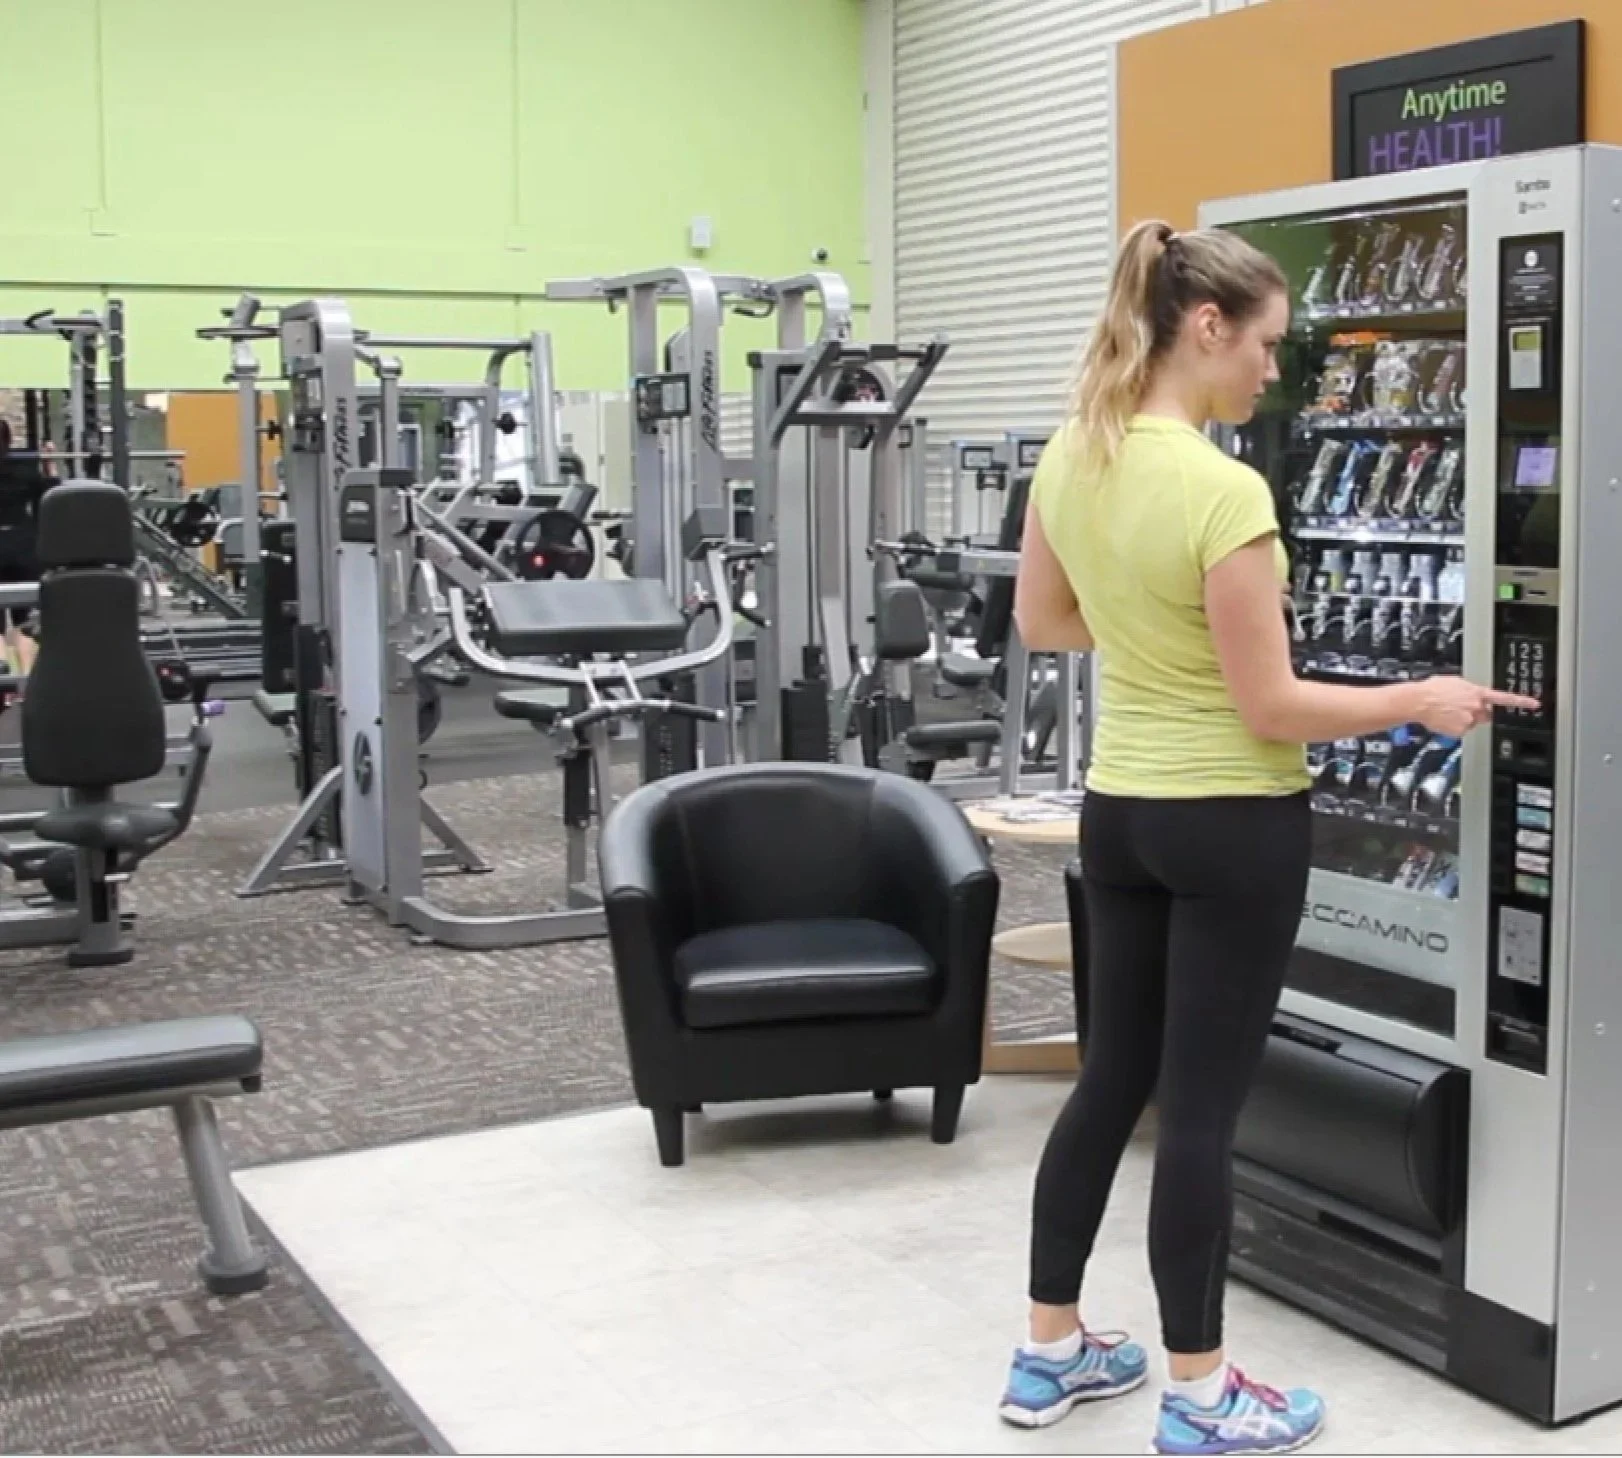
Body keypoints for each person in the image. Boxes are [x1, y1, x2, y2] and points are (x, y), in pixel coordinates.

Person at [997, 220, 1535, 1455]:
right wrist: (1418, 699)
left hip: (1121, 811)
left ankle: (1049, 1352)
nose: (1271, 374)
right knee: (1198, 1113)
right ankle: (1198, 1395)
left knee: (1108, 1084)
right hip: (1231, 821)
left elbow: (1045, 620)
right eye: (1266, 347)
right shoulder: (1222, 489)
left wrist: (1148, 636)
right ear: (1204, 327)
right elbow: (1270, 706)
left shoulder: (1069, 456)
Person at [0, 421, 53, 676]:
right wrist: (49, 465)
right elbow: (50, 496)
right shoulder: (24, 469)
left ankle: (3, 686)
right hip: (23, 546)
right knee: (25, 623)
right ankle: (26, 683)